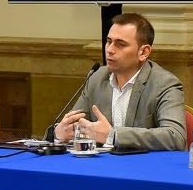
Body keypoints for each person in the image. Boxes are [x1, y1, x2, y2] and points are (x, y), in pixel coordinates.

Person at [54, 13, 186, 151]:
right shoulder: (97, 78)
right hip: (103, 162)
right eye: (109, 41)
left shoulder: (164, 84)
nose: (110, 50)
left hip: (143, 163)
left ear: (144, 52)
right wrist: (60, 132)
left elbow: (176, 137)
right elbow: (73, 124)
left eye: (121, 44)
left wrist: (113, 135)